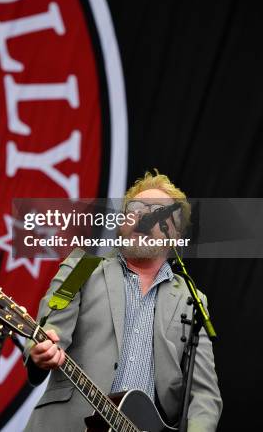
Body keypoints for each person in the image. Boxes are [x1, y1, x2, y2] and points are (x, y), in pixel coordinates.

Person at [23, 171, 222, 431]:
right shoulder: (81, 267)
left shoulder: (191, 300)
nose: (143, 216)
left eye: (157, 212)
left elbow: (205, 396)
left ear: (174, 233)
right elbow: (50, 331)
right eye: (135, 209)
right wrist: (41, 351)